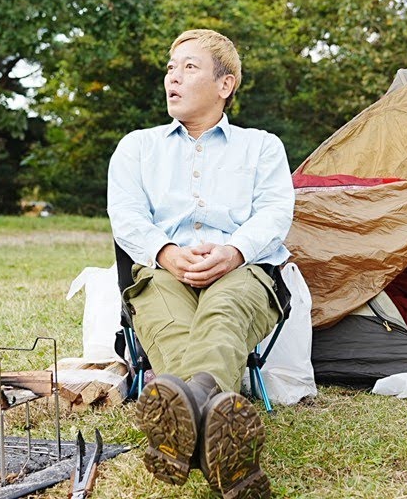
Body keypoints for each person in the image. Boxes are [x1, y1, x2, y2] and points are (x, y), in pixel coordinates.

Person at [107, 28, 293, 499]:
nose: (173, 77)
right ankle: (220, 436)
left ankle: (186, 423)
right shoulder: (137, 147)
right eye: (171, 68)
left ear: (225, 85)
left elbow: (276, 213)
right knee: (171, 325)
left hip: (243, 271)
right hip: (161, 270)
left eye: (189, 67)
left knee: (223, 312)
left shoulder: (262, 147)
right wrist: (167, 254)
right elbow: (125, 218)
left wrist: (232, 252)